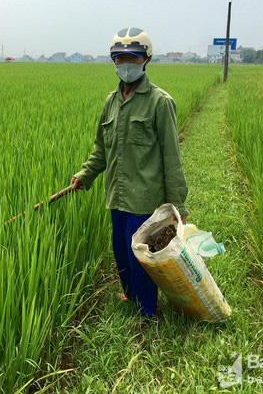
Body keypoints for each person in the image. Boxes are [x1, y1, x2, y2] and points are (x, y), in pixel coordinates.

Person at [71, 27, 189, 318]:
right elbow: (101, 150)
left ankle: (147, 314)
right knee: (122, 255)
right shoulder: (110, 102)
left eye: (132, 58)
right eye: (119, 58)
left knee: (141, 262)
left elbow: (172, 158)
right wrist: (85, 175)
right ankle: (131, 297)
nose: (125, 64)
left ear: (146, 60)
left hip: (145, 201)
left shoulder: (160, 102)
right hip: (117, 197)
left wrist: (178, 206)